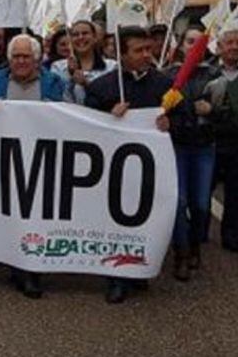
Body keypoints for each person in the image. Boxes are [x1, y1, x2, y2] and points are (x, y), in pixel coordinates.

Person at [86, 25, 172, 303]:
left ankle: (140, 268)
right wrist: (107, 116)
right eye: (139, 50)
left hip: (152, 171)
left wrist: (171, 123)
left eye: (149, 49)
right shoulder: (102, 87)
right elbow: (83, 127)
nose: (147, 55)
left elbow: (186, 123)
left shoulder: (165, 86)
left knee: (148, 219)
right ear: (122, 55)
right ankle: (117, 278)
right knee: (117, 222)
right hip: (113, 172)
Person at [0, 35, 66, 298]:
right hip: (6, 158)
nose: (21, 61)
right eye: (16, 56)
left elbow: (71, 116)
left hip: (43, 159)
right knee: (10, 211)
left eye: (26, 56)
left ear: (37, 58)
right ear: (9, 59)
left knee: (34, 215)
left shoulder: (54, 83)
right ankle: (14, 261)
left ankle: (31, 271)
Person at [164, 23, 218, 280]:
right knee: (179, 202)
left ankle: (195, 243)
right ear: (181, 45)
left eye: (199, 42)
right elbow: (159, 112)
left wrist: (213, 111)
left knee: (200, 204)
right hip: (177, 147)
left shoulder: (214, 75)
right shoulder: (168, 76)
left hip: (204, 147)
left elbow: (228, 113)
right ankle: (181, 253)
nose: (194, 47)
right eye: (189, 42)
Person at [207, 29, 238, 252]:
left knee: (235, 194)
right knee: (203, 192)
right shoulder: (207, 73)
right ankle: (199, 233)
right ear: (219, 47)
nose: (234, 47)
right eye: (229, 42)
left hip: (236, 145)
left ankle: (231, 237)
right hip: (211, 143)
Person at [50, 19, 116, 105]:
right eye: (75, 35)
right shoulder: (58, 67)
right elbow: (57, 100)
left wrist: (87, 84)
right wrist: (69, 77)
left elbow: (113, 97)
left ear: (95, 38)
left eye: (85, 33)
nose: (80, 37)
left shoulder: (112, 66)